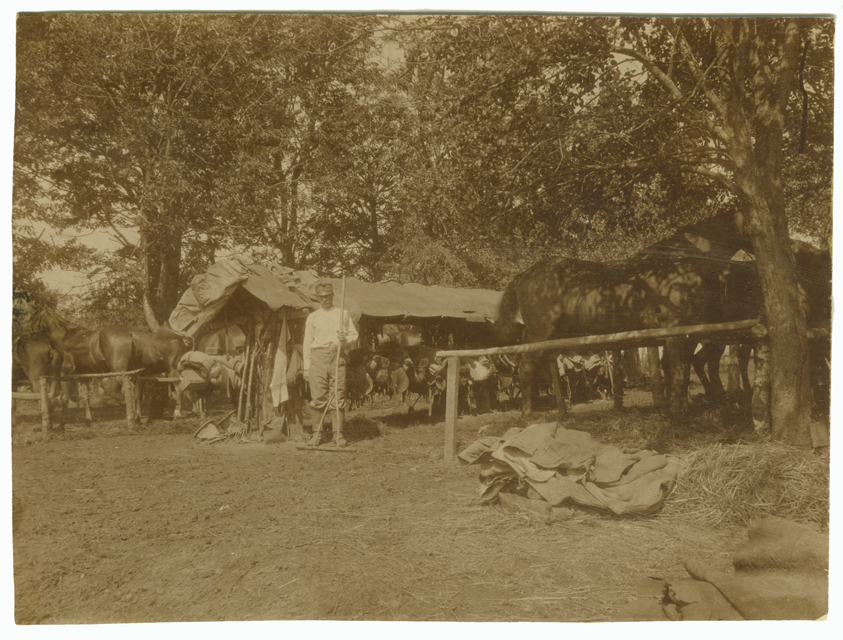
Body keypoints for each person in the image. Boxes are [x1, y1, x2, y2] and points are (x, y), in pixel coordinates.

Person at [303, 280, 358, 446]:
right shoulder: (313, 317)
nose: (324, 299)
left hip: (337, 356)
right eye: (321, 296)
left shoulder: (343, 314)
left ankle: (338, 435)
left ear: (333, 295)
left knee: (338, 395)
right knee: (318, 396)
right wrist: (307, 367)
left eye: (327, 296)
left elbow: (354, 336)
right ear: (318, 297)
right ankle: (317, 434)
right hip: (318, 358)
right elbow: (307, 342)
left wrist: (345, 339)